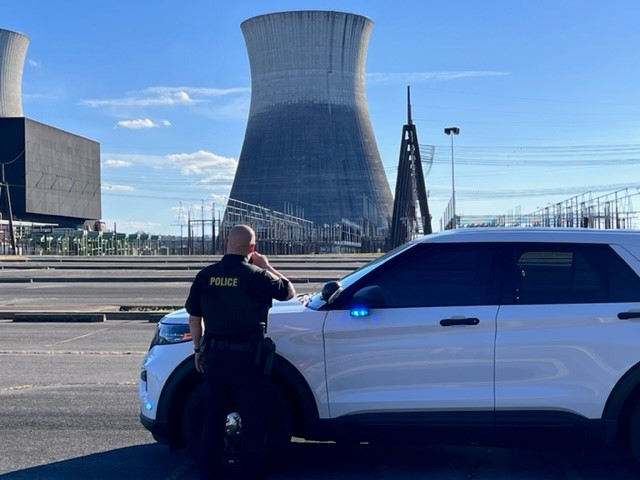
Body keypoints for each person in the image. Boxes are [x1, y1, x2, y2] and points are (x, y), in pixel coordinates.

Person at [185, 224, 295, 480]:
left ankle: (210, 474)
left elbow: (194, 318)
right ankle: (248, 473)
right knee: (252, 420)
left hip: (214, 357)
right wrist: (266, 265)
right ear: (252, 249)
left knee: (212, 421)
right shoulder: (258, 276)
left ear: (226, 242)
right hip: (248, 361)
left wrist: (198, 350)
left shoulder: (205, 276)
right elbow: (289, 292)